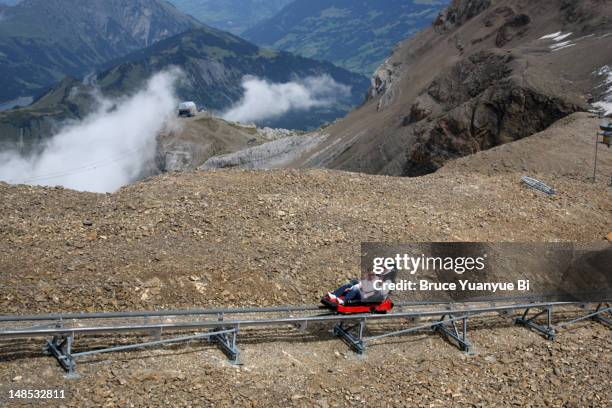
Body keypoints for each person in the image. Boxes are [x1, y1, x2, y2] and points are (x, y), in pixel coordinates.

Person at [328, 266, 396, 305]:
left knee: (356, 289)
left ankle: (344, 301)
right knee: (351, 284)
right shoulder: (378, 277)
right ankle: (335, 295)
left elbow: (381, 294)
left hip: (371, 298)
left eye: (384, 268)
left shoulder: (388, 282)